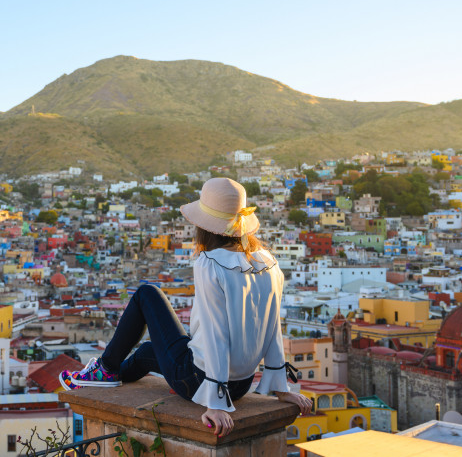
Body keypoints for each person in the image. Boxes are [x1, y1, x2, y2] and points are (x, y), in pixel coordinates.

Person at [59, 178, 312, 437]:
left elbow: (216, 334)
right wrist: (282, 388)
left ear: (204, 225)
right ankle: (106, 377)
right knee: (148, 351)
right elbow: (272, 329)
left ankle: (105, 370)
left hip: (202, 382)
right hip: (242, 384)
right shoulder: (269, 263)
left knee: (147, 294)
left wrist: (214, 402)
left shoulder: (210, 264)